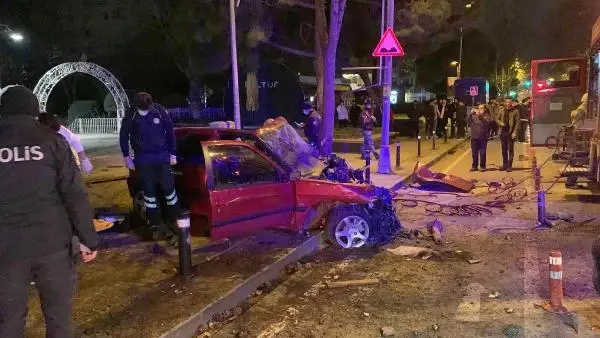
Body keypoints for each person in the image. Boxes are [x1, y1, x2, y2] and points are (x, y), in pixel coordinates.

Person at [0, 85, 99, 337]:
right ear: (34, 110)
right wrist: (88, 239)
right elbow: (74, 195)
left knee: (8, 321)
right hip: (53, 245)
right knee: (59, 318)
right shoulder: (53, 142)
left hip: (7, 249)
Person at [120, 92, 180, 241]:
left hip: (162, 157)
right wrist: (126, 156)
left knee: (169, 190)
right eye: (141, 109)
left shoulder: (159, 110)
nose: (144, 111)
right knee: (149, 193)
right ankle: (155, 223)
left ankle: (175, 219)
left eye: (146, 109)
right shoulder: (132, 114)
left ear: (151, 104)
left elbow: (170, 132)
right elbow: (123, 134)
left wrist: (173, 153)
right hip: (143, 159)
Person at [497, 98, 520, 172]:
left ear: (512, 103)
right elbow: (497, 119)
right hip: (503, 132)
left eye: (509, 102)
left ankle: (509, 166)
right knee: (504, 150)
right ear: (504, 102)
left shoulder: (515, 111)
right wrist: (500, 123)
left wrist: (515, 132)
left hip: (511, 133)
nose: (508, 103)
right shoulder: (501, 110)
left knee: (510, 150)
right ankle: (505, 165)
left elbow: (517, 123)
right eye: (506, 102)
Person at [468, 104, 491, 171]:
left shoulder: (487, 116)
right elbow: (468, 122)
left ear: (484, 109)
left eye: (481, 108)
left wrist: (480, 115)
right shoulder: (474, 115)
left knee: (482, 153)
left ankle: (482, 166)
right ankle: (474, 166)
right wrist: (470, 114)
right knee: (474, 153)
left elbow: (487, 122)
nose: (479, 109)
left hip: (483, 137)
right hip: (474, 137)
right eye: (479, 108)